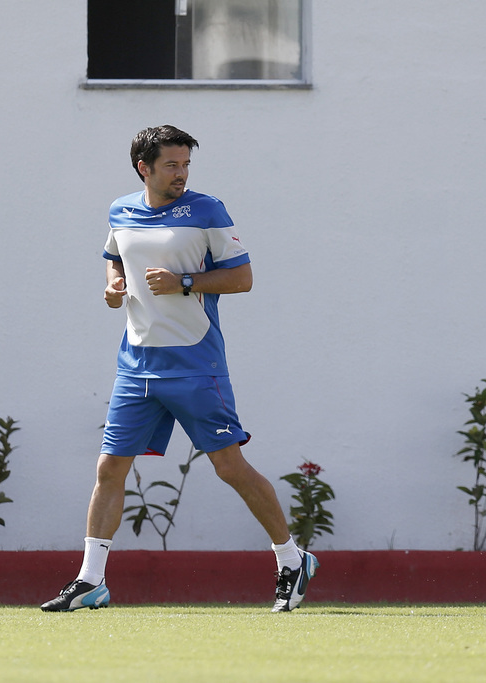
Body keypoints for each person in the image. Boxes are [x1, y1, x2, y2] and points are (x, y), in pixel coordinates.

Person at [40, 125, 318, 613]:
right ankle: (90, 582)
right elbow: (114, 260)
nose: (181, 174)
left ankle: (292, 559)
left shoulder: (208, 210)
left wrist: (184, 281)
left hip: (195, 363)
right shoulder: (120, 210)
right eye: (172, 165)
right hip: (136, 364)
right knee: (109, 468)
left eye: (186, 164)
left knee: (229, 467)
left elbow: (243, 278)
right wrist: (113, 287)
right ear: (143, 168)